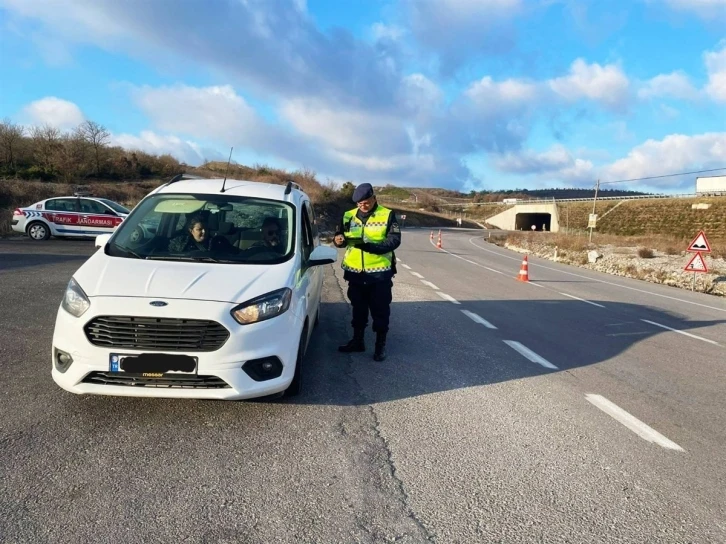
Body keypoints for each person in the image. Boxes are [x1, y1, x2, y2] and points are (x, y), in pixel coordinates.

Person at [333, 183, 401, 361]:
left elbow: (394, 241)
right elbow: (340, 235)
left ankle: (380, 346)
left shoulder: (387, 214)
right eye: (359, 203)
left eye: (366, 202)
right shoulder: (348, 215)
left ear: (374, 198)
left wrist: (371, 247)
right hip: (355, 272)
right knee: (358, 309)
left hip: (379, 274)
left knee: (380, 311)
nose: (363, 206)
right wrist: (338, 240)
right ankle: (358, 341)